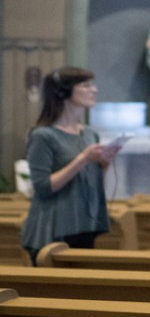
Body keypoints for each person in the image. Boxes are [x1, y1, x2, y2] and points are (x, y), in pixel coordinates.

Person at [21, 67, 118, 265]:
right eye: (86, 85)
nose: (94, 90)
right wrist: (83, 158)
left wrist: (105, 164)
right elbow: (43, 188)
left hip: (84, 225)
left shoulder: (90, 134)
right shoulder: (43, 135)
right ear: (62, 92)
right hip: (52, 230)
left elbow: (92, 183)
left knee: (82, 293)